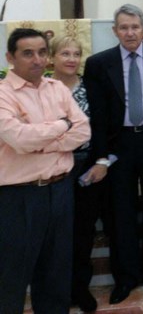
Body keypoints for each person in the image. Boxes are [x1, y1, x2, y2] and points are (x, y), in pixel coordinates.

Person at [84, 4, 143, 305]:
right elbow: (96, 117)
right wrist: (101, 156)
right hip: (118, 145)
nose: (130, 32)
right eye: (123, 27)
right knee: (119, 211)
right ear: (115, 31)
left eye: (135, 26)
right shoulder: (99, 64)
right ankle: (125, 277)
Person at [0, 28, 90, 313]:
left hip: (61, 190)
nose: (37, 59)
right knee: (11, 276)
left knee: (55, 276)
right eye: (27, 53)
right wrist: (61, 126)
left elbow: (84, 131)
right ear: (9, 58)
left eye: (41, 52)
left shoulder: (58, 89)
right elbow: (19, 139)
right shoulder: (3, 94)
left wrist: (41, 142)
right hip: (19, 197)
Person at [50, 35, 108, 313]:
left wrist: (101, 161)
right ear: (52, 58)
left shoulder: (90, 88)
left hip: (86, 166)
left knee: (84, 230)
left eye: (76, 54)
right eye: (65, 54)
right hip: (52, 168)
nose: (72, 59)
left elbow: (103, 128)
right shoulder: (43, 89)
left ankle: (80, 288)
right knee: (56, 232)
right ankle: (57, 291)